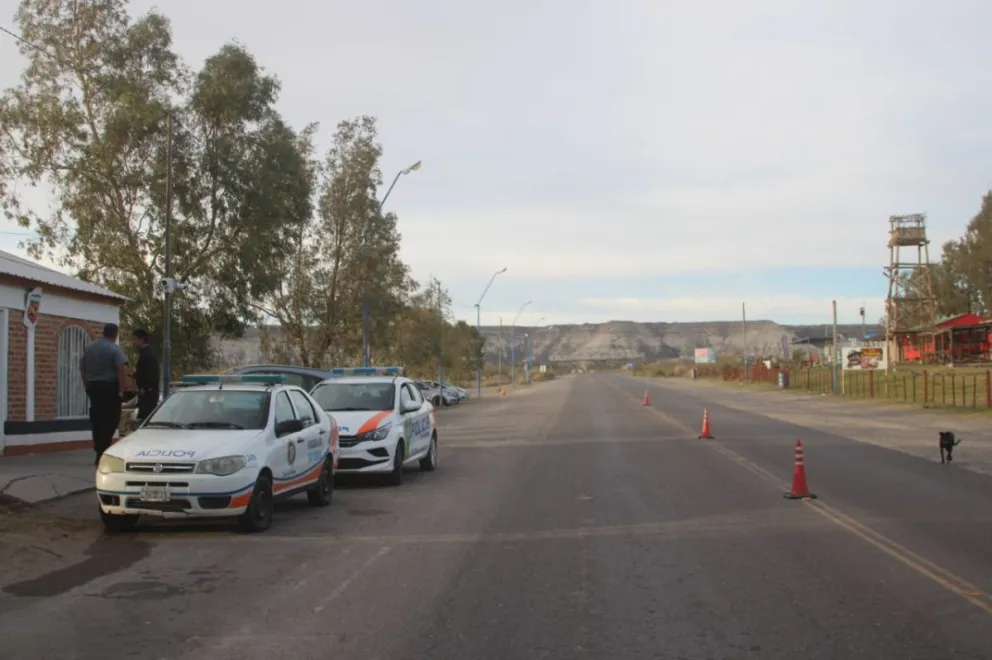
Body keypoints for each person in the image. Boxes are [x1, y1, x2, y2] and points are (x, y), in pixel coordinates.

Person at [80, 323, 128, 465]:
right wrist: (121, 390)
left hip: (93, 387)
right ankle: (102, 450)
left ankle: (98, 448)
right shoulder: (114, 349)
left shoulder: (90, 347)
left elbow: (82, 367)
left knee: (97, 419)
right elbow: (120, 369)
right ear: (115, 334)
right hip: (109, 387)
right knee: (111, 419)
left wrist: (86, 384)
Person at [131, 329, 160, 422]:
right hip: (146, 391)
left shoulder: (147, 354)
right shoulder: (145, 353)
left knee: (145, 417)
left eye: (135, 339)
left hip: (148, 393)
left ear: (142, 339)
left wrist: (145, 387)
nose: (134, 342)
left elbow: (150, 372)